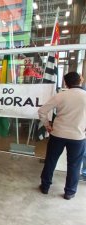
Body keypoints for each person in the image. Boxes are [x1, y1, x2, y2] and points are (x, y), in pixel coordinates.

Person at [38, 72, 86, 200]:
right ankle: (69, 192)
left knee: (51, 160)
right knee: (74, 165)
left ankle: (45, 187)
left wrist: (47, 126)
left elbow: (42, 111)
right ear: (80, 80)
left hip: (58, 134)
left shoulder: (61, 96)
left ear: (65, 83)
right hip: (78, 136)